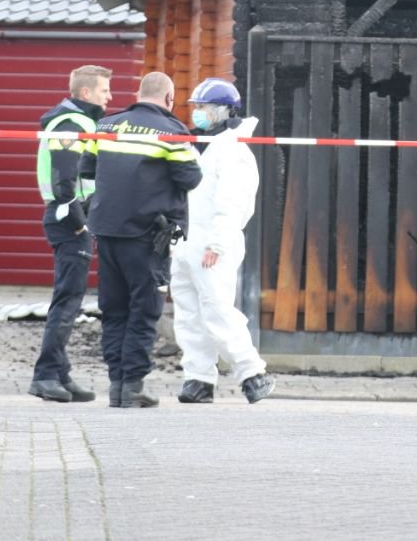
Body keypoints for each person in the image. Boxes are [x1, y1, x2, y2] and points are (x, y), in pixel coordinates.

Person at [79, 72, 202, 408]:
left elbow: (87, 168)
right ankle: (132, 386)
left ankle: (117, 386)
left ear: (138, 93)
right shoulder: (172, 132)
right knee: (144, 310)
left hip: (105, 230)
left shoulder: (105, 126)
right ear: (169, 98)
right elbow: (191, 178)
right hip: (147, 234)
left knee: (113, 309)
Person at [170, 78, 275, 405]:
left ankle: (252, 373)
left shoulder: (233, 152)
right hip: (187, 242)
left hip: (212, 244)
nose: (197, 113)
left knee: (217, 311)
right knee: (189, 315)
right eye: (195, 107)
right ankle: (198, 378)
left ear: (223, 110)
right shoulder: (200, 145)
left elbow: (232, 203)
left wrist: (216, 244)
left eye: (202, 107)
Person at [29, 65, 113, 403]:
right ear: (86, 93)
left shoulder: (79, 122)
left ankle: (60, 373)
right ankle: (46, 375)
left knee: (70, 299)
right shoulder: (71, 124)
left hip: (70, 216)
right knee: (66, 301)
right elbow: (65, 178)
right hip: (67, 218)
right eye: (105, 90)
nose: (110, 97)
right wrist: (78, 221)